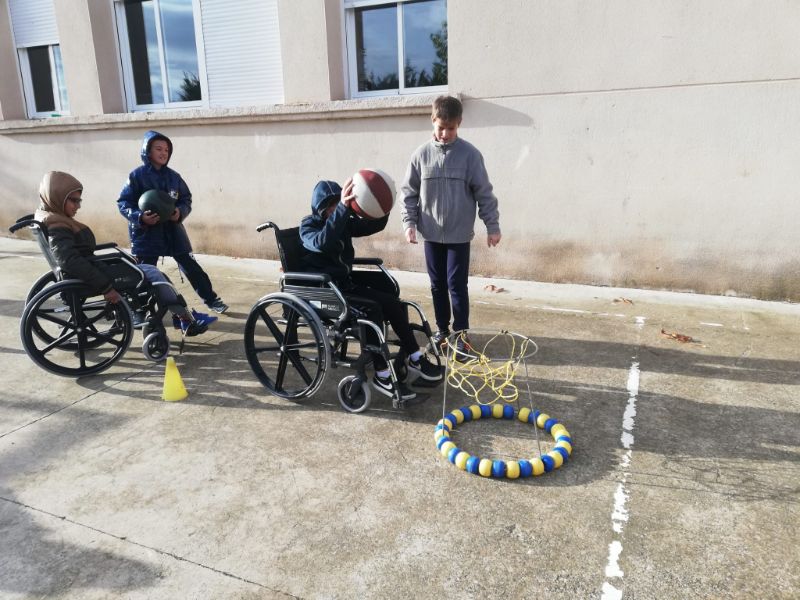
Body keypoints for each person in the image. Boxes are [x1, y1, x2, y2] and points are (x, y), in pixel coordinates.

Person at [300, 179, 443, 402]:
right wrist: (342, 210)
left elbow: (371, 225)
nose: (336, 209)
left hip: (344, 285)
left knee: (392, 301)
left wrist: (383, 204)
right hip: (325, 291)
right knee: (372, 310)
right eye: (331, 206)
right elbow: (322, 242)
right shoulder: (308, 226)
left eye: (338, 203)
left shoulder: (342, 221)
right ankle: (382, 375)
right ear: (320, 208)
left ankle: (415, 356)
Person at [35, 171, 212, 337]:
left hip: (91, 268)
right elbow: (70, 261)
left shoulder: (52, 219)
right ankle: (184, 318)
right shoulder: (58, 226)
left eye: (79, 200)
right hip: (92, 276)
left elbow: (74, 257)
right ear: (58, 197)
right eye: (74, 200)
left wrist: (122, 260)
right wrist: (106, 288)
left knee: (146, 270)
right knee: (155, 275)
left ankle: (181, 316)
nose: (78, 206)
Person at [400, 95, 501, 353]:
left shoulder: (470, 156)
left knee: (456, 285)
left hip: (459, 235)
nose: (445, 134)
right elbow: (409, 193)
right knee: (437, 285)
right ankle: (443, 330)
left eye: (451, 128)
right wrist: (409, 223)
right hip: (431, 234)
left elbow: (484, 194)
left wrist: (492, 226)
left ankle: (461, 333)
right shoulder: (421, 156)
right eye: (441, 127)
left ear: (459, 124)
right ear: (432, 121)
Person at [117, 130, 229, 314]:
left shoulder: (174, 177)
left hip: (173, 231)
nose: (163, 153)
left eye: (166, 150)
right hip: (146, 234)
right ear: (147, 151)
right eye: (158, 148)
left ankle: (211, 299)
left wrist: (180, 212)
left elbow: (186, 199)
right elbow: (123, 202)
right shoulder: (136, 176)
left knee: (192, 267)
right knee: (144, 273)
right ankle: (139, 311)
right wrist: (140, 217)